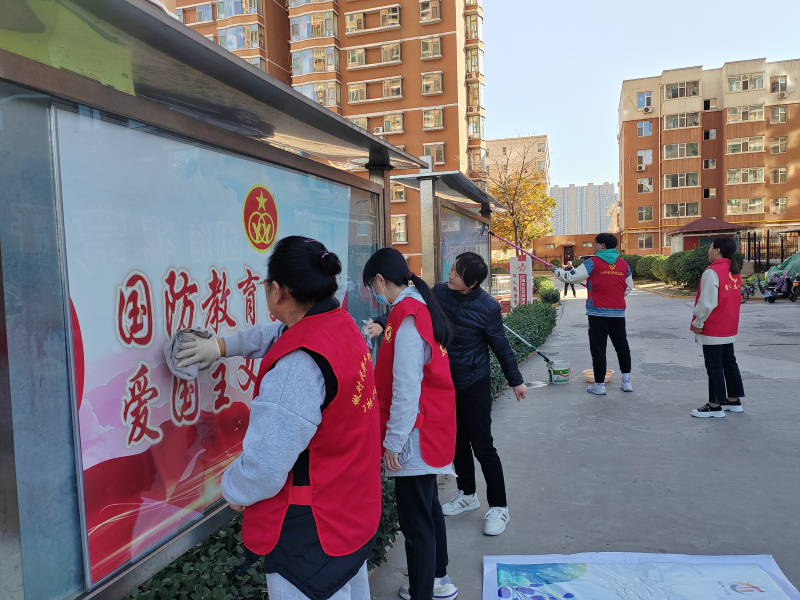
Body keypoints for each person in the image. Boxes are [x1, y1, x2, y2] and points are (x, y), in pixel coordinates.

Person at [171, 236, 381, 600]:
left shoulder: (297, 369)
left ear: (278, 291)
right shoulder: (340, 324)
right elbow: (277, 334)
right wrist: (218, 347)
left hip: (312, 536)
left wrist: (234, 489)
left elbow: (264, 468)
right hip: (350, 512)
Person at [370, 252, 527, 537]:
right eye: (452, 268)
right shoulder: (440, 292)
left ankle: (499, 506)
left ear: (473, 283)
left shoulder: (488, 307)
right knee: (457, 442)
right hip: (445, 384)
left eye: (457, 273)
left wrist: (516, 381)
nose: (450, 275)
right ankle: (467, 493)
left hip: (473, 383)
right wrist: (383, 322)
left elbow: (501, 346)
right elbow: (405, 307)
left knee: (483, 445)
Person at [363, 248, 459, 600]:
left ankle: (423, 591)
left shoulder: (406, 317)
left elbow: (406, 387)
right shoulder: (419, 307)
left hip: (415, 434)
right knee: (428, 509)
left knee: (416, 523)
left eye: (371, 288)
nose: (374, 295)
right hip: (427, 427)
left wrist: (392, 442)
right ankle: (438, 579)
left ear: (379, 280)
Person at [553, 233, 634, 395]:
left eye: (594, 243)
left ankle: (599, 385)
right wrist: (614, 296)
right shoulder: (624, 265)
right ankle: (626, 382)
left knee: (598, 348)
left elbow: (571, 277)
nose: (593, 246)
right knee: (622, 346)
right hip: (618, 313)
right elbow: (629, 287)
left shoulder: (592, 262)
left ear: (603, 246)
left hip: (597, 312)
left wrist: (556, 270)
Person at [689, 236, 745, 418]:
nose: (708, 250)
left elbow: (707, 302)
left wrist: (698, 322)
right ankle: (733, 400)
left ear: (717, 250)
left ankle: (714, 405)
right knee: (729, 363)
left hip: (714, 326)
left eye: (710, 247)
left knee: (714, 366)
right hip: (729, 325)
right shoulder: (734, 272)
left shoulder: (712, 272)